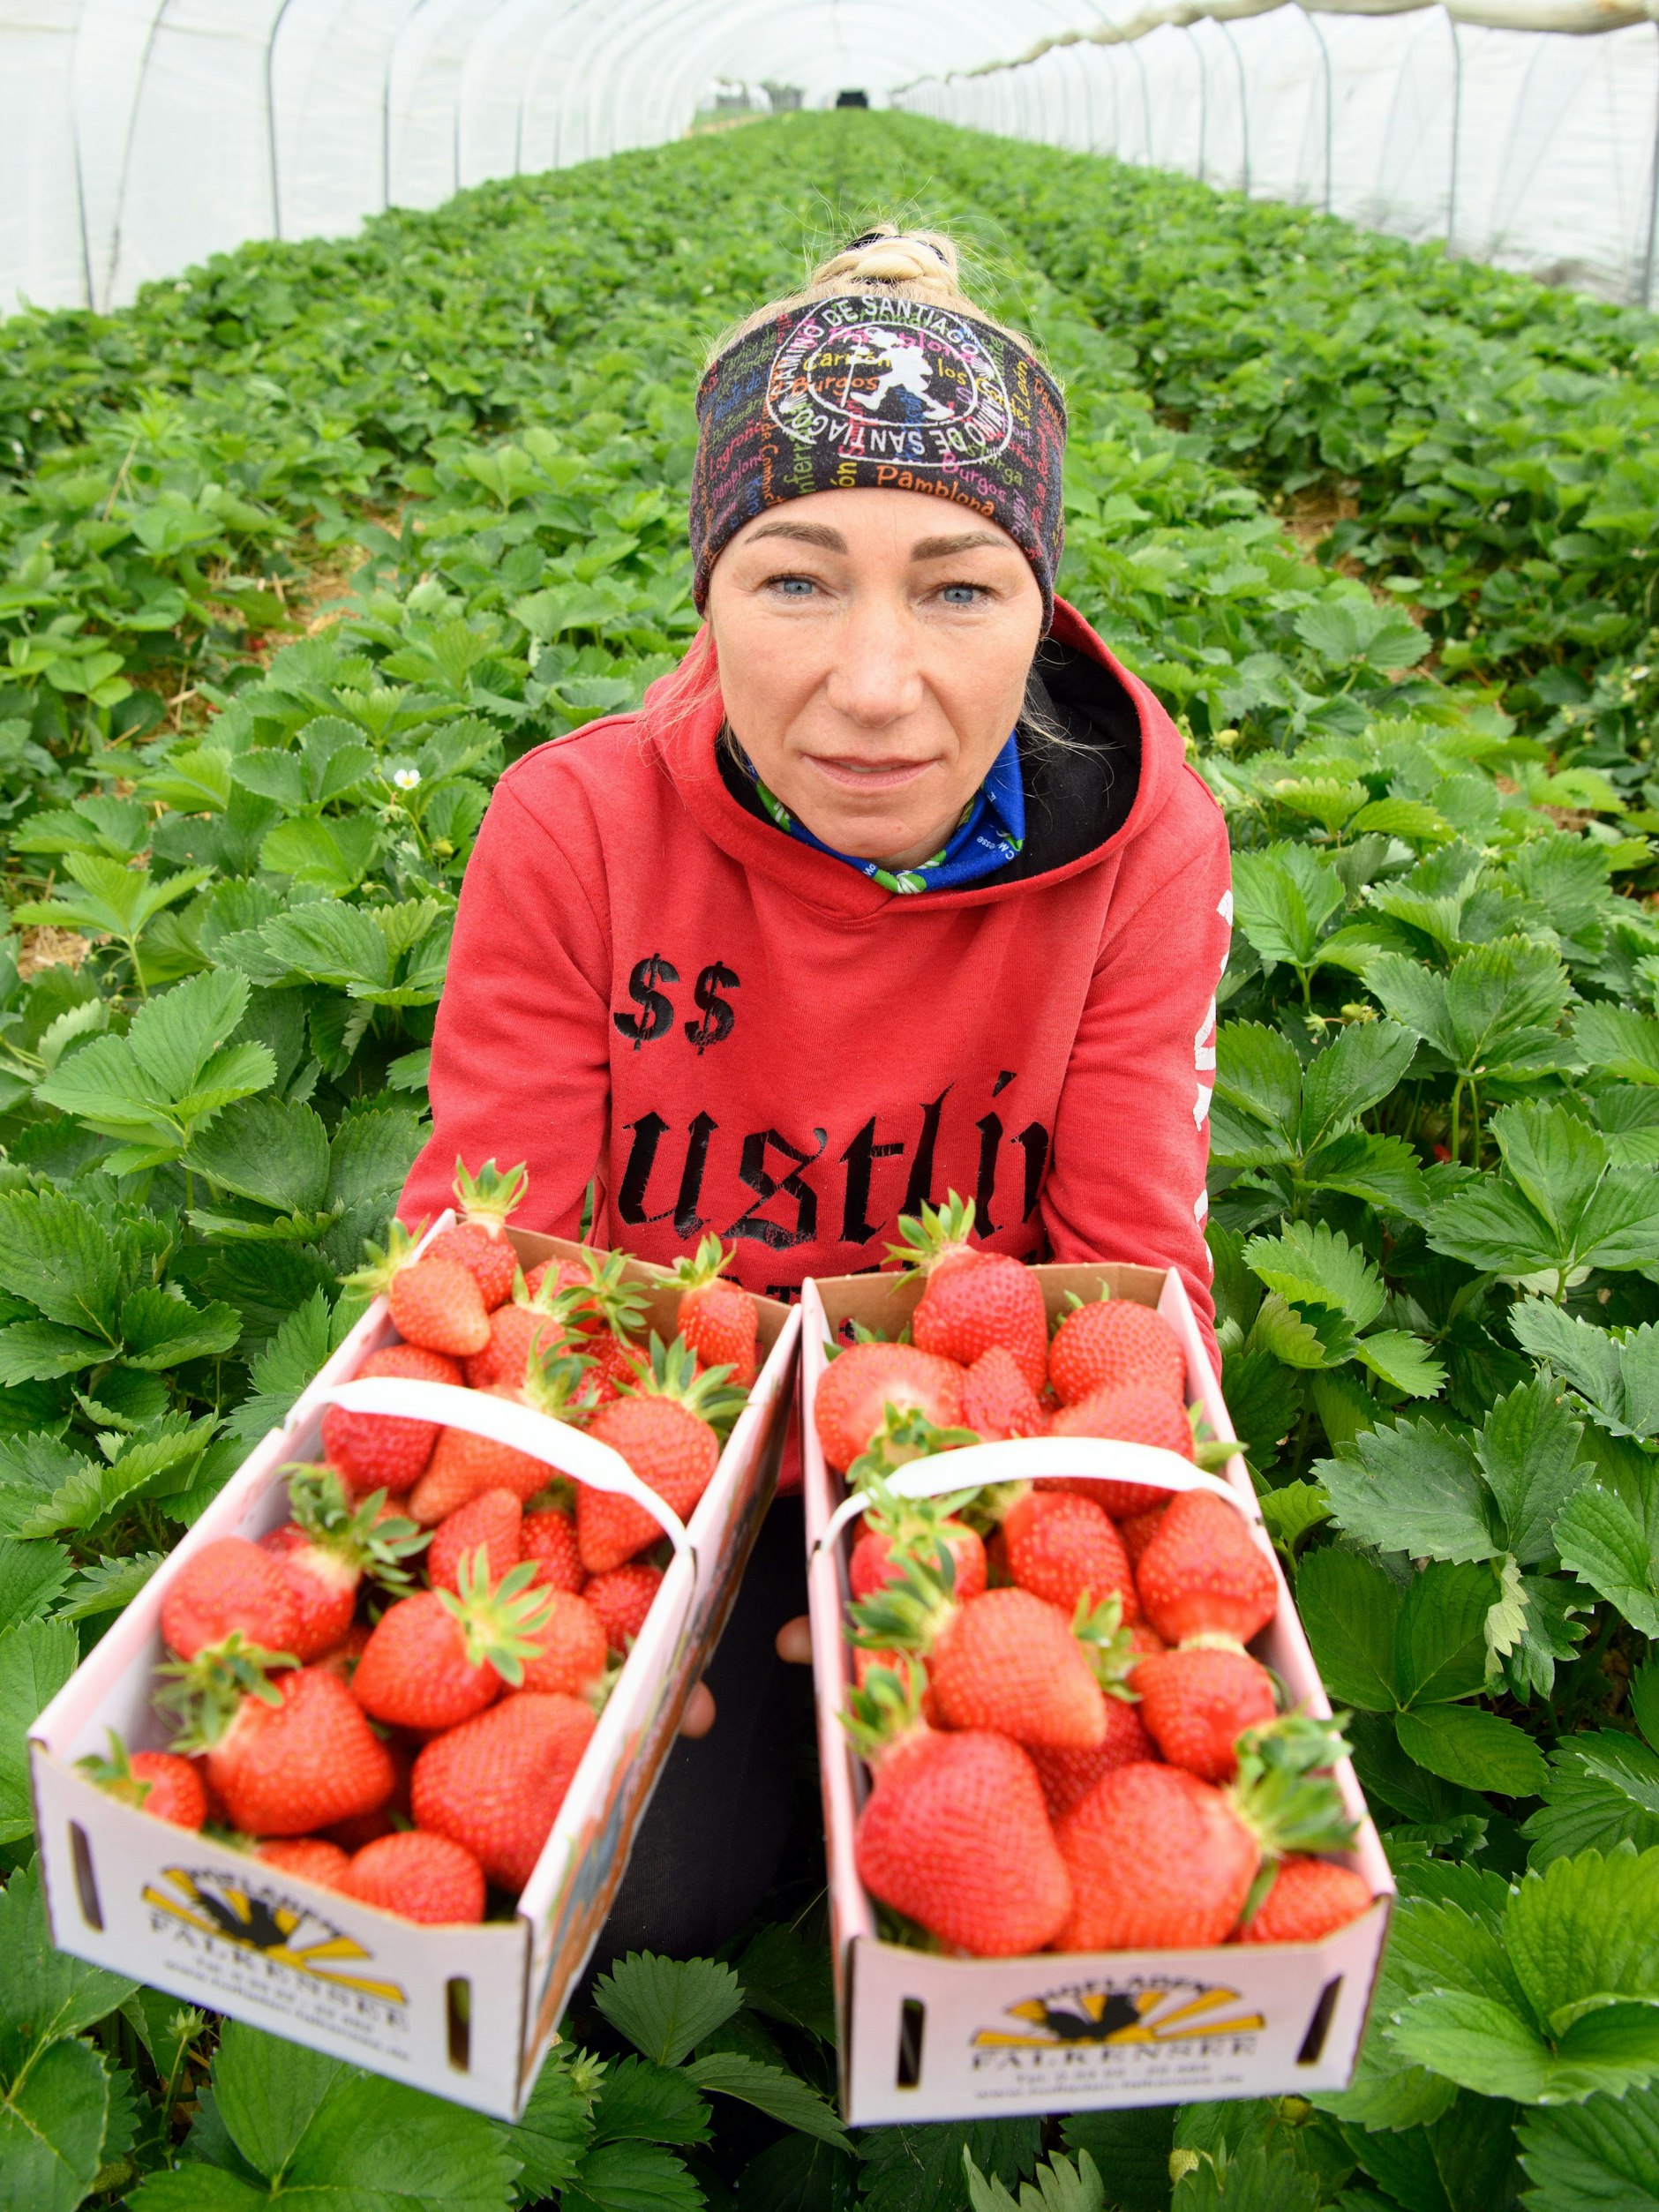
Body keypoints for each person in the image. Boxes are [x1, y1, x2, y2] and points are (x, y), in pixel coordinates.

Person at [400, 225, 1232, 1954]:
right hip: (653, 1446)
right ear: (705, 589)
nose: (871, 686)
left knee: (1094, 1884)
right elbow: (490, 1264)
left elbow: (1125, 1284)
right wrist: (591, 1580)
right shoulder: (575, 826)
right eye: (791, 578)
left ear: (1040, 600)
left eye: (955, 583)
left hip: (962, 1454)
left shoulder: (1145, 842)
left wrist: (1013, 1567)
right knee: (653, 1883)